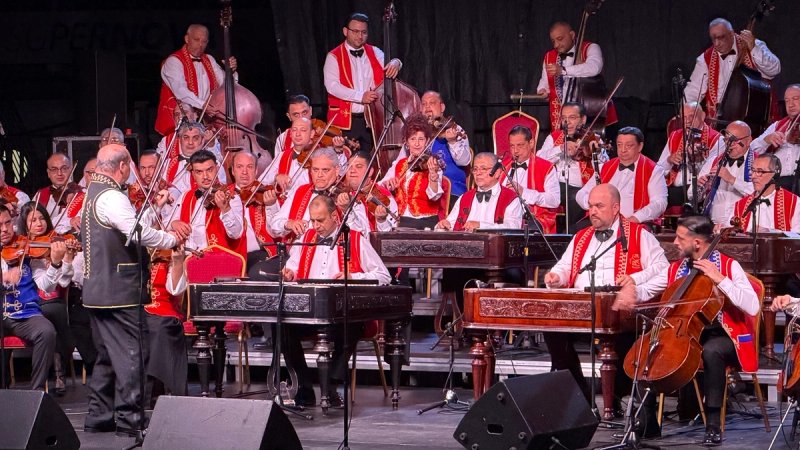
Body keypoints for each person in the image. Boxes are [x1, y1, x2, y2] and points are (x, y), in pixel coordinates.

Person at [81, 143, 184, 437]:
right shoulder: (112, 196)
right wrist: (169, 239)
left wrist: (156, 209)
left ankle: (99, 416)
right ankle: (131, 420)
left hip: (98, 292)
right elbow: (136, 232)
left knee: (106, 356)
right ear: (123, 166)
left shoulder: (93, 191)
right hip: (119, 291)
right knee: (131, 354)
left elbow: (127, 226)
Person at [633, 215, 759, 445]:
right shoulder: (676, 269)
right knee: (646, 348)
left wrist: (719, 278)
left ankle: (713, 424)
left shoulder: (729, 266)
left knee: (711, 351)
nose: (675, 243)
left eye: (680, 238)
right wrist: (630, 291)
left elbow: (752, 306)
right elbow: (647, 290)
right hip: (686, 333)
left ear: (697, 243)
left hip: (723, 334)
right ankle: (648, 422)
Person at [544, 184, 668, 409]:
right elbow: (565, 266)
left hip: (619, 307)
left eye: (599, 206)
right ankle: (581, 398)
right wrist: (556, 276)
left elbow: (663, 267)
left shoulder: (639, 235)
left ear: (615, 208)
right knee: (552, 328)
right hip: (582, 305)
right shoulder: (581, 236)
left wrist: (634, 279)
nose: (593, 211)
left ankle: (614, 403)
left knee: (616, 337)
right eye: (591, 206)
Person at [281, 195, 390, 407]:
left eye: (320, 220)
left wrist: (354, 276)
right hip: (311, 312)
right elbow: (293, 265)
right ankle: (304, 388)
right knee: (282, 328)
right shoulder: (306, 238)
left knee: (350, 327)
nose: (315, 226)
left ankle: (330, 387)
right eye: (313, 220)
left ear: (334, 216)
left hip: (343, 313)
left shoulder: (355, 239)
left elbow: (384, 276)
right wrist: (290, 272)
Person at [17, 202, 78, 394]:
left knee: (54, 309)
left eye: (42, 218)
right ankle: (60, 372)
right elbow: (42, 285)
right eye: (33, 220)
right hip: (32, 302)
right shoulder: (23, 249)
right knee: (50, 310)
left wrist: (66, 259)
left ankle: (59, 372)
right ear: (25, 225)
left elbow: (64, 282)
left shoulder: (56, 242)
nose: (39, 223)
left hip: (54, 300)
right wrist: (55, 262)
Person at [0, 204, 61, 391]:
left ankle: (36, 393)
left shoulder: (26, 248)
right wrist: (3, 277)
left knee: (46, 331)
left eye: (7, 223)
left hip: (24, 315)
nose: (4, 229)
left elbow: (46, 286)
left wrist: (55, 264)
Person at [323, 12, 402, 152]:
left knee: (373, 157)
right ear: (345, 31)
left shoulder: (374, 51)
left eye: (364, 32)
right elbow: (332, 86)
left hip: (371, 119)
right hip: (346, 121)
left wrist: (396, 63)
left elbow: (390, 63)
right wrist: (361, 96)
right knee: (345, 158)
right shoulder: (333, 56)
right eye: (355, 31)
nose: (360, 36)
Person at [683, 18, 780, 123]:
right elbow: (693, 90)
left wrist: (753, 49)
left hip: (753, 119)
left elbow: (774, 70)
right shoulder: (705, 59)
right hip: (719, 122)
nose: (716, 43)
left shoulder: (754, 45)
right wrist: (685, 113)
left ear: (731, 33)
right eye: (713, 39)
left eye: (720, 38)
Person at [268, 147, 369, 240]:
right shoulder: (300, 191)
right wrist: (288, 224)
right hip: (296, 251)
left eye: (325, 170)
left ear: (337, 170)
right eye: (315, 170)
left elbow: (363, 235)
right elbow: (273, 228)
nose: (319, 175)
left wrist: (348, 211)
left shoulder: (350, 197)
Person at [155, 24, 237, 135]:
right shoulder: (173, 61)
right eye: (196, 40)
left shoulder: (209, 59)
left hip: (206, 122)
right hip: (180, 122)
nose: (200, 45)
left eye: (204, 41)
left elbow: (226, 86)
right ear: (187, 39)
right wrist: (203, 105)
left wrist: (231, 72)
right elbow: (181, 91)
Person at [576, 127, 667, 225]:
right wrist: (593, 204)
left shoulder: (654, 170)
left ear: (640, 146)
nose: (623, 150)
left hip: (634, 223)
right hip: (602, 221)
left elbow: (660, 203)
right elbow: (581, 194)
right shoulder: (605, 167)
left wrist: (635, 218)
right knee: (575, 230)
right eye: (619, 145)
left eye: (628, 145)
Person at [536, 21, 616, 130]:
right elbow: (544, 83)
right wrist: (542, 91)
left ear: (572, 35)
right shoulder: (549, 56)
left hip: (591, 114)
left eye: (560, 39)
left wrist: (564, 70)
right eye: (553, 41)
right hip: (561, 118)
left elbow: (594, 68)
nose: (556, 45)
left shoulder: (591, 47)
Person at [380, 113, 451, 230]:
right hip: (401, 220)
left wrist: (433, 177)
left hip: (425, 222)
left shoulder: (432, 163)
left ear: (427, 141)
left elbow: (434, 197)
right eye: (413, 139)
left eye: (421, 139)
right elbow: (381, 187)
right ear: (406, 143)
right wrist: (388, 185)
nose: (417, 144)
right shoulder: (400, 164)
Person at [170, 150, 244, 256]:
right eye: (199, 172)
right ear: (193, 174)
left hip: (218, 258)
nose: (205, 176)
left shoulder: (231, 196)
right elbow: (168, 221)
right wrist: (174, 223)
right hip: (187, 257)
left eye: (209, 170)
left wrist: (226, 209)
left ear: (217, 169)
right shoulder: (186, 196)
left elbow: (236, 234)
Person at [537, 102, 596, 232]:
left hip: (581, 187)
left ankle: (571, 235)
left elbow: (605, 167)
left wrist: (594, 153)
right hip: (557, 185)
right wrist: (560, 148)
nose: (567, 122)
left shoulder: (593, 139)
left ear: (583, 119)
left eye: (572, 118)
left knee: (576, 197)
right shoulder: (554, 137)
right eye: (564, 118)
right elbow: (539, 159)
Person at [656, 102, 724, 208]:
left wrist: (699, 160)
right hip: (673, 188)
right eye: (684, 117)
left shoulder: (717, 139)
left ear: (702, 116)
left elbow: (710, 173)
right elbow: (658, 170)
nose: (687, 121)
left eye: (691, 116)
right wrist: (669, 160)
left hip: (698, 192)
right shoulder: (674, 136)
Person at [436, 152, 523, 231]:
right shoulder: (464, 197)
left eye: (483, 169)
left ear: (497, 172)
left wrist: (481, 226)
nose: (478, 173)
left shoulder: (510, 198)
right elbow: (450, 224)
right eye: (475, 169)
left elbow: (514, 227)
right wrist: (444, 225)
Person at [499, 125, 561, 233]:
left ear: (531, 143)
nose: (515, 151)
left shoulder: (546, 167)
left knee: (526, 231)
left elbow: (554, 201)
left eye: (520, 145)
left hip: (533, 218)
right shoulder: (503, 167)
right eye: (512, 146)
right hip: (504, 217)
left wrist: (524, 192)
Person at [694, 120, 755, 227]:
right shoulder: (714, 161)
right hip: (713, 226)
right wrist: (700, 187)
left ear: (748, 141)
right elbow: (692, 196)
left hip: (742, 226)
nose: (730, 144)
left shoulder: (758, 162)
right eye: (727, 139)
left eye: (734, 140)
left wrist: (731, 179)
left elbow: (760, 194)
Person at [416, 91, 472, 203]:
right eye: (424, 104)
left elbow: (464, 161)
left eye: (432, 103)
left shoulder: (454, 129)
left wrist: (453, 142)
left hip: (450, 192)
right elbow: (403, 161)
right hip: (420, 191)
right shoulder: (416, 133)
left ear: (442, 107)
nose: (427, 107)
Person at [229, 151, 279, 278]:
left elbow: (276, 232)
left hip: (260, 253)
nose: (244, 172)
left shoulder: (265, 193)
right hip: (231, 254)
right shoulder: (224, 195)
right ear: (233, 171)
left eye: (250, 167)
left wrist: (271, 205)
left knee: (258, 273)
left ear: (256, 170)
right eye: (239, 167)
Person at [732, 153, 800, 232]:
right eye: (753, 170)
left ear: (774, 175)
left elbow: (797, 236)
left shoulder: (794, 202)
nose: (753, 176)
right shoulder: (740, 205)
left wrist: (771, 232)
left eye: (760, 171)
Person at [751, 84, 800, 192]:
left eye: (795, 99)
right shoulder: (777, 125)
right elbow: (751, 149)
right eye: (787, 101)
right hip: (778, 183)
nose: (791, 104)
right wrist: (767, 140)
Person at [339, 151, 397, 231]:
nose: (352, 170)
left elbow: (391, 234)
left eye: (358, 166)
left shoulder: (384, 197)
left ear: (370, 172)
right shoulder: (343, 194)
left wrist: (381, 221)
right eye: (349, 167)